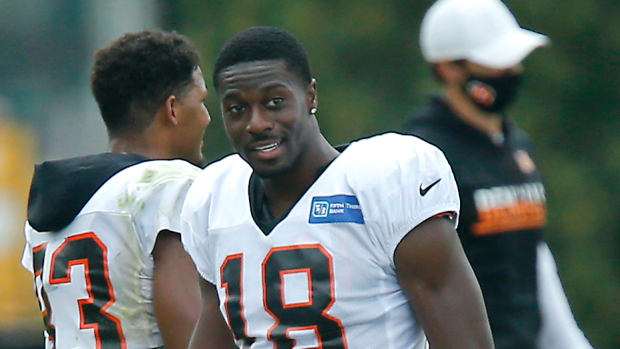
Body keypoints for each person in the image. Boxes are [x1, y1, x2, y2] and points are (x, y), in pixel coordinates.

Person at [181, 26, 494, 349]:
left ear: (310, 96)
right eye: (237, 109)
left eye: (274, 102)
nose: (256, 123)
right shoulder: (213, 199)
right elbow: (214, 327)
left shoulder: (382, 181)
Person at [404, 1, 593, 348]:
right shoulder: (423, 157)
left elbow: (534, 258)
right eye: (497, 61)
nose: (513, 70)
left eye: (514, 59)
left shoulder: (517, 145)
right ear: (448, 68)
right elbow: (417, 282)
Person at [21, 30, 212, 349]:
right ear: (173, 109)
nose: (207, 117)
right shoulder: (168, 185)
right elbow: (189, 336)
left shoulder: (52, 203)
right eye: (202, 101)